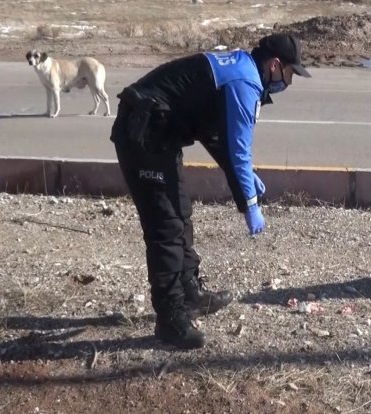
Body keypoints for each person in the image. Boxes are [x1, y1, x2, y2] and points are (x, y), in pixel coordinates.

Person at [109, 33, 311, 349]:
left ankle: (189, 292)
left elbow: (219, 137)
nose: (290, 81)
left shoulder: (241, 67)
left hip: (161, 132)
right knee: (166, 226)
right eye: (290, 73)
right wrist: (250, 203)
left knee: (181, 214)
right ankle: (170, 317)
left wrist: (243, 177)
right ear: (274, 65)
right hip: (143, 131)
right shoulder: (245, 83)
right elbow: (238, 147)